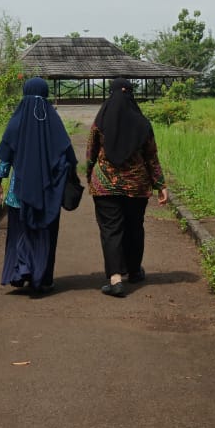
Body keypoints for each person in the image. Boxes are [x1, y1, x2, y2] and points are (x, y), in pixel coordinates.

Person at [0, 77, 77, 294]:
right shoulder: (55, 123)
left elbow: (5, 156)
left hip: (18, 194)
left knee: (19, 233)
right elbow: (68, 157)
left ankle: (20, 272)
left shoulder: (16, 122)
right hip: (48, 195)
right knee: (45, 235)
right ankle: (43, 278)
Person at [86, 77, 168, 297]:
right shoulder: (143, 124)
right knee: (134, 228)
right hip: (136, 186)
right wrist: (160, 184)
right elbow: (151, 157)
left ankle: (115, 280)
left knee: (110, 230)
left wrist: (90, 174)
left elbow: (91, 152)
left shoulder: (101, 121)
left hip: (105, 186)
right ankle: (134, 271)